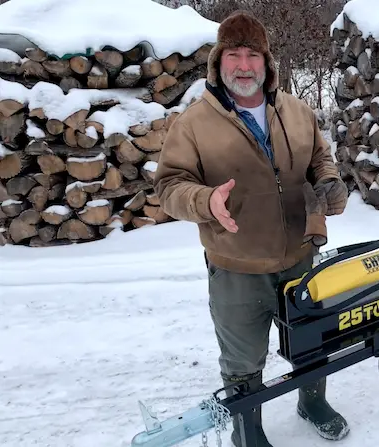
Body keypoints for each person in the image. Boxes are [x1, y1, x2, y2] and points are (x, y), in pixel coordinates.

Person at [152, 9, 350, 447]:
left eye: (252, 55)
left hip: (301, 254)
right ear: (218, 62)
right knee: (243, 358)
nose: (244, 65)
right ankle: (248, 429)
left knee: (312, 339)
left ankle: (312, 402)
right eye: (234, 55)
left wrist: (328, 182)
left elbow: (320, 158)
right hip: (236, 264)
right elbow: (168, 186)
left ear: (267, 62)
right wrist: (203, 200)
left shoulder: (297, 112)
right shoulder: (193, 124)